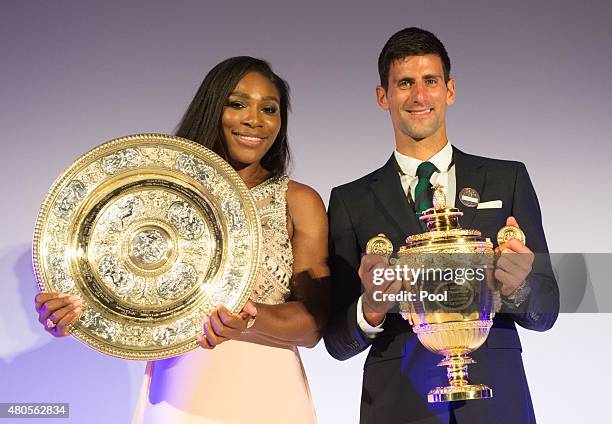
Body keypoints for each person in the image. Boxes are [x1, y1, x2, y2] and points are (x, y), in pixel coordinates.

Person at [34, 56, 330, 424]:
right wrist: (73, 313)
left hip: (270, 392)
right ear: (212, 109)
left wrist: (250, 319)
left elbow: (315, 324)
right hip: (179, 391)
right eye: (237, 104)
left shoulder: (298, 201)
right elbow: (117, 289)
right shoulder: (155, 189)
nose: (255, 120)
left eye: (269, 109)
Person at [323, 28, 560, 424]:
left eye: (430, 81)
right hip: (399, 404)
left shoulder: (508, 179)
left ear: (449, 90)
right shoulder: (351, 200)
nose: (418, 96)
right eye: (404, 83)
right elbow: (336, 338)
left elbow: (547, 308)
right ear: (383, 97)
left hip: (496, 401)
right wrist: (372, 308)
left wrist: (519, 288)